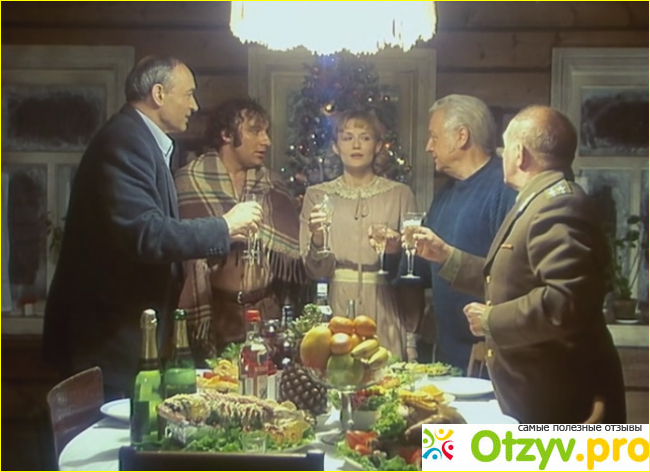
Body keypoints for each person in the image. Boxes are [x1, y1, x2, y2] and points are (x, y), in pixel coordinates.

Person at [43, 57, 262, 398]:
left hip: (124, 335)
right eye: (188, 94)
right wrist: (224, 225)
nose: (195, 105)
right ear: (158, 94)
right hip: (107, 339)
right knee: (116, 430)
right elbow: (144, 233)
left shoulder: (141, 140)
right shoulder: (125, 141)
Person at [411, 105, 626, 423]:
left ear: (520, 154)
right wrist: (446, 256)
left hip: (564, 406)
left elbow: (565, 302)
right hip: (538, 399)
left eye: (505, 147)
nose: (501, 156)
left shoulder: (559, 205)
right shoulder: (536, 202)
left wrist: (492, 319)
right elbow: (511, 280)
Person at [175, 98, 305, 359]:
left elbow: (295, 255)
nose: (266, 141)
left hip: (266, 312)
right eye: (255, 131)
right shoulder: (188, 181)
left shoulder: (273, 185)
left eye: (266, 132)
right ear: (226, 135)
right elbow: (178, 247)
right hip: (215, 314)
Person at [300, 109, 423, 360]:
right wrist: (318, 240)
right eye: (347, 138)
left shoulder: (400, 195)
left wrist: (394, 251)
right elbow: (313, 270)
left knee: (385, 376)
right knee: (338, 374)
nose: (356, 145)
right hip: (335, 307)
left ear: (377, 146)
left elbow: (414, 270)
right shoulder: (317, 196)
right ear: (336, 147)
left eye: (365, 138)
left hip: (385, 306)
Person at [415, 94, 516, 371]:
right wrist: (393, 250)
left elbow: (513, 278)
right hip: (445, 356)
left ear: (462, 136)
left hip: (489, 362)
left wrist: (448, 256)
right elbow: (425, 271)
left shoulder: (503, 189)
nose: (428, 147)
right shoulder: (445, 194)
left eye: (434, 137)